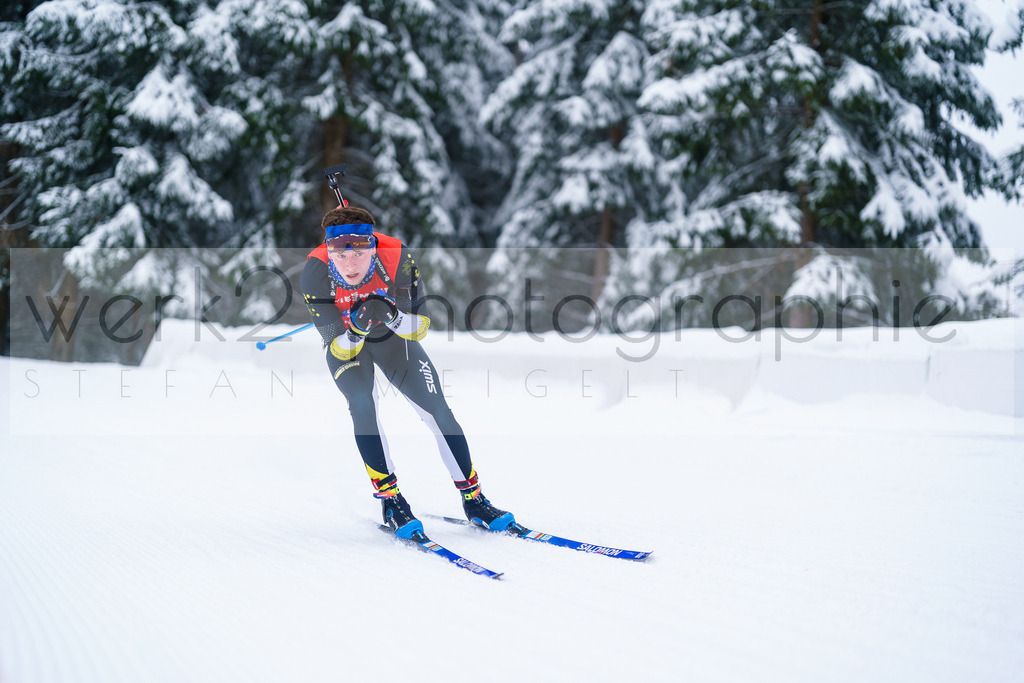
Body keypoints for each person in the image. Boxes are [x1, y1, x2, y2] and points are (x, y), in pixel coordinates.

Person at [300, 205, 515, 539]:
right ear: (329, 252)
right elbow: (337, 347)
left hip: (392, 338)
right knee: (363, 406)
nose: (350, 264)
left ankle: (474, 500)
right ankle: (391, 502)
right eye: (340, 255)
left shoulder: (396, 256)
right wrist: (356, 328)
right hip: (350, 345)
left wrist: (393, 316)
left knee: (438, 412)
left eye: (359, 252)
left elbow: (420, 328)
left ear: (373, 246)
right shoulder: (315, 271)